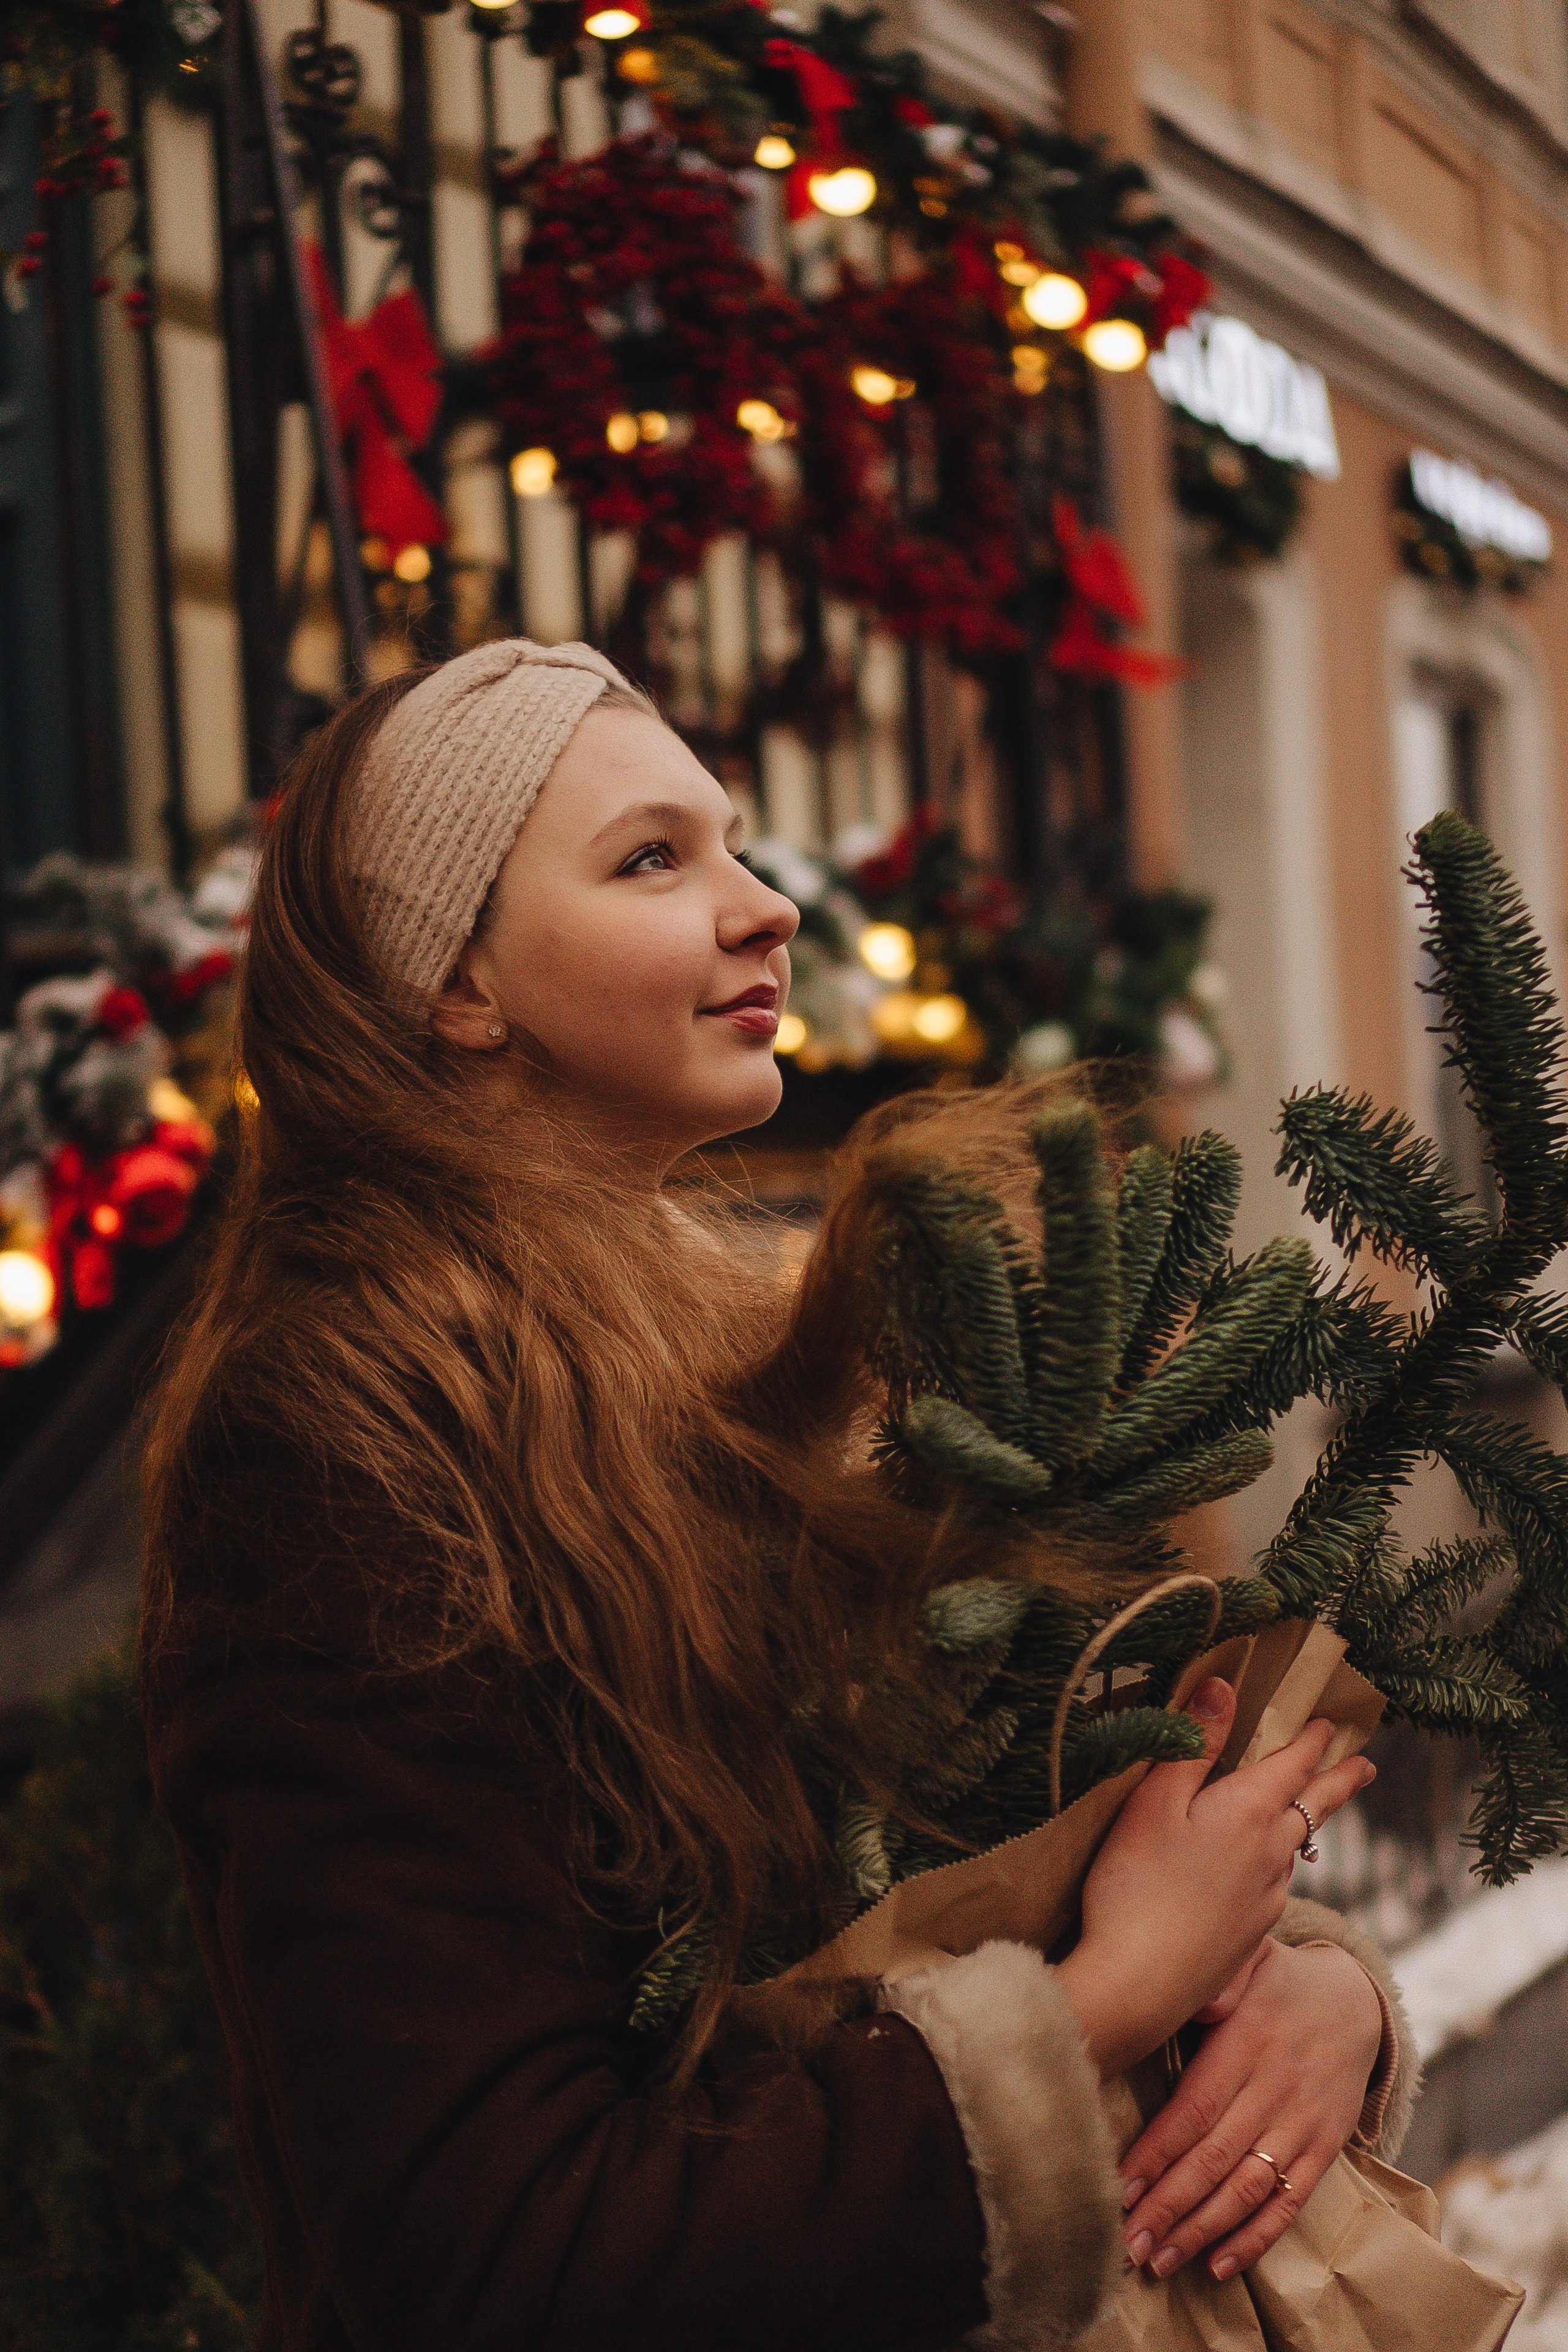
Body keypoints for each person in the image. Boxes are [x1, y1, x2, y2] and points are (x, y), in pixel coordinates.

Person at [141, 640, 1413, 2352]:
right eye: (651, 860)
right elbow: (494, 2252)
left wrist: (1305, 1998)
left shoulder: (737, 1344)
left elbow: (969, 1837)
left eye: (735, 843)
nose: (768, 909)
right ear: (455, 984)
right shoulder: (342, 1443)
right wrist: (1108, 2004)